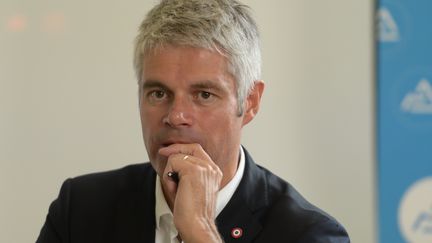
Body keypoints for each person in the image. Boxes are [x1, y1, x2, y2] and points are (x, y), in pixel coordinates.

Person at [37, 0, 350, 242]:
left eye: (203, 95)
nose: (176, 116)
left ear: (250, 102)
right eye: (158, 93)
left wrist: (200, 229)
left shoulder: (308, 234)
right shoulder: (81, 209)